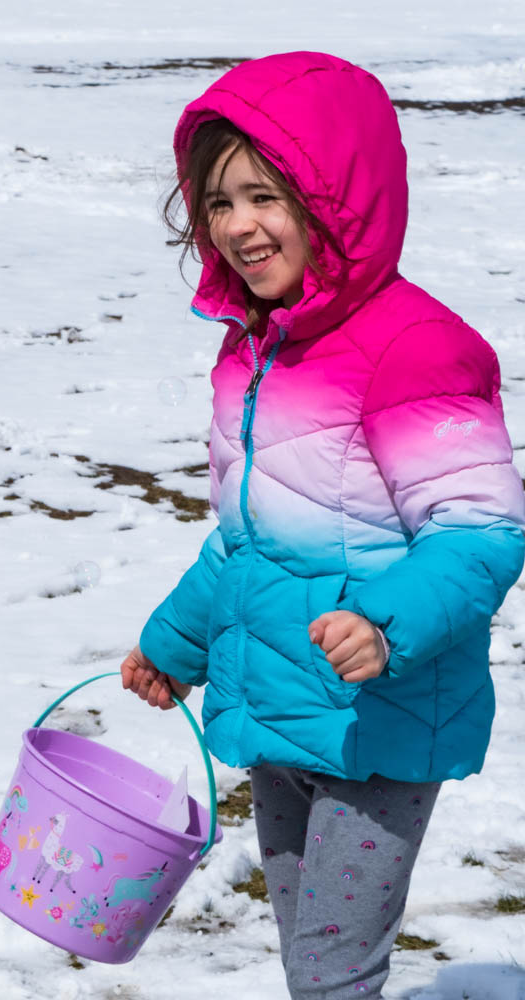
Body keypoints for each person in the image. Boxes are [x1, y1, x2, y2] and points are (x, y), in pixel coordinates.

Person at [119, 51, 525, 998]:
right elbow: (248, 538)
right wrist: (174, 643)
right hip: (280, 709)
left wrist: (388, 624)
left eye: (263, 195)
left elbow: (479, 531)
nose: (237, 227)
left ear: (334, 197)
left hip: (380, 716)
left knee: (336, 968)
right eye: (218, 202)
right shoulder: (257, 350)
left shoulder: (416, 350)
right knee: (312, 959)